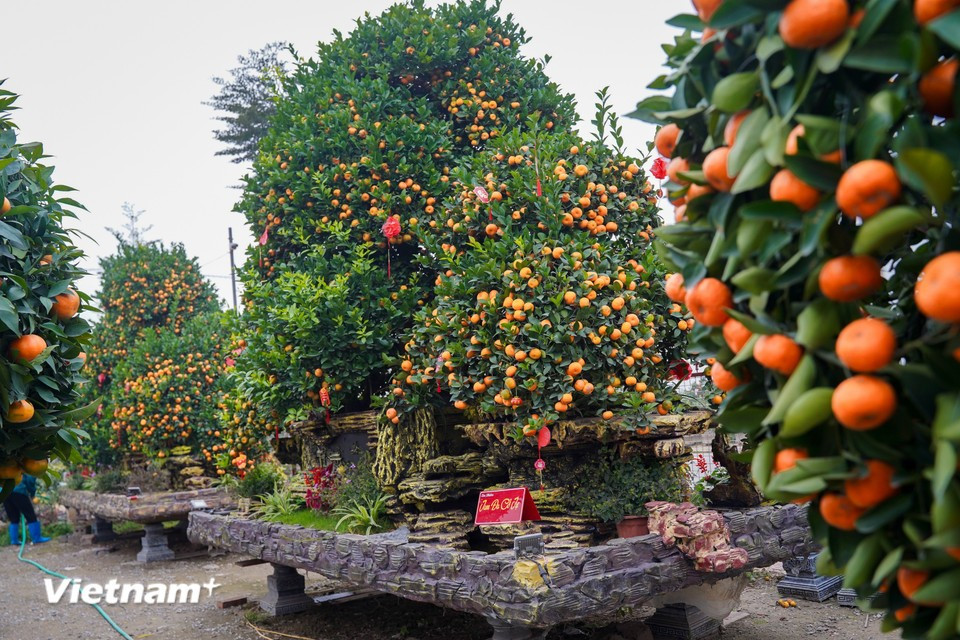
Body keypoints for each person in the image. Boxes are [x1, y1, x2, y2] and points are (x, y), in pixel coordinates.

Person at [4, 474, 50, 545]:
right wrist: (32, 493)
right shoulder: (29, 465)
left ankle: (14, 540)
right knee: (30, 515)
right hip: (18, 491)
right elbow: (30, 481)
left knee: (13, 517)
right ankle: (36, 538)